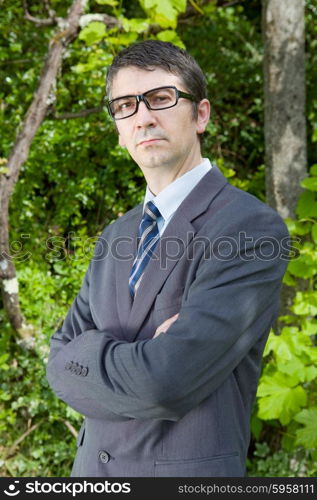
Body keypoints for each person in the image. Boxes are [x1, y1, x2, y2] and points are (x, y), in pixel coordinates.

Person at [46, 40, 289, 477]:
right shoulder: (116, 236)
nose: (143, 117)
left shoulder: (249, 228)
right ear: (119, 128)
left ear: (201, 115)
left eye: (160, 98)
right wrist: (141, 354)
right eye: (125, 106)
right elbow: (59, 363)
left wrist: (94, 356)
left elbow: (165, 383)